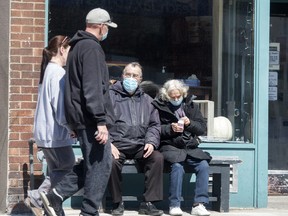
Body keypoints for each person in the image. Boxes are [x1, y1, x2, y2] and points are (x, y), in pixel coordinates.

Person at [40, 8, 117, 216]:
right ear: (101, 26)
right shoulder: (91, 48)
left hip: (82, 118)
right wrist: (100, 120)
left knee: (95, 165)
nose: (107, 31)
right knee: (100, 166)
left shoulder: (75, 48)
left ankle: (54, 195)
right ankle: (89, 212)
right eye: (107, 27)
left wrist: (74, 123)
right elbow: (91, 87)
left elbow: (73, 89)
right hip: (92, 119)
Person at [25, 35, 76, 216]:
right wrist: (71, 127)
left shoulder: (49, 70)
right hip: (55, 134)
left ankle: (46, 205)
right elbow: (59, 106)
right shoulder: (58, 73)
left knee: (56, 171)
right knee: (69, 168)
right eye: (69, 51)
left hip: (46, 133)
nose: (70, 55)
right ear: (62, 49)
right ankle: (36, 198)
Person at [108, 62, 164, 216]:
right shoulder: (109, 96)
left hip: (140, 144)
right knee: (111, 162)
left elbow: (154, 125)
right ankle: (116, 202)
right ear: (122, 76)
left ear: (140, 79)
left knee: (157, 158)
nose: (131, 78)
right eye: (128, 74)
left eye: (135, 76)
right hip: (117, 144)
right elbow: (101, 123)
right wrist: (109, 144)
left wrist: (151, 142)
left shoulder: (147, 100)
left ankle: (148, 203)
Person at [152, 79, 212, 216]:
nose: (175, 99)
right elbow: (154, 128)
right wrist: (170, 128)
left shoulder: (191, 106)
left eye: (178, 96)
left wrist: (190, 123)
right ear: (167, 96)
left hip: (189, 147)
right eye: (172, 97)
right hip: (170, 147)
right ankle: (174, 204)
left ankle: (199, 204)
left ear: (183, 94)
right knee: (177, 166)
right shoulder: (159, 107)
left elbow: (202, 128)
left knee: (203, 164)